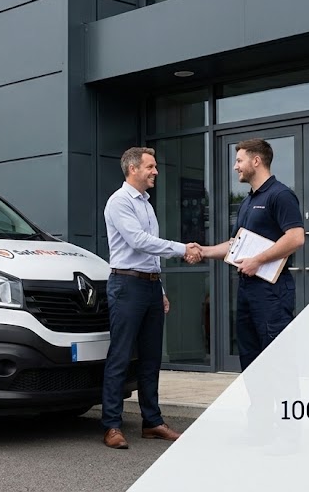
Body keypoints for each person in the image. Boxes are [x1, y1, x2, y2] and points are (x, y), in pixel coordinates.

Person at [101, 147, 200, 449]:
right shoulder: (119, 202)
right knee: (120, 356)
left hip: (149, 287)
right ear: (133, 169)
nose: (156, 171)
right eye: (150, 167)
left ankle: (152, 422)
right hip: (126, 286)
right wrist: (183, 248)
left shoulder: (146, 203)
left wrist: (161, 290)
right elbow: (139, 242)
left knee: (151, 357)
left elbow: (151, 255)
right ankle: (112, 425)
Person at [196, 138, 305, 369]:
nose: (235, 166)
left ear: (256, 161)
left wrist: (258, 260)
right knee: (250, 358)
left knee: (278, 359)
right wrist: (203, 251)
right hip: (247, 289)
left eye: (239, 160)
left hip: (272, 292)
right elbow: (235, 245)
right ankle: (258, 406)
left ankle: (285, 406)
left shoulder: (280, 195)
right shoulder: (247, 201)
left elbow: (296, 237)